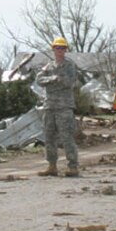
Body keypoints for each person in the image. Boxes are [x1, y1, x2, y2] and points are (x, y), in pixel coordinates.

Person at [35, 36, 83, 177]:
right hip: (49, 106)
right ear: (53, 49)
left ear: (65, 50)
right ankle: (52, 166)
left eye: (62, 48)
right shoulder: (48, 66)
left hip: (64, 106)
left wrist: (55, 81)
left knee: (66, 137)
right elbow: (39, 80)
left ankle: (73, 166)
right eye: (57, 48)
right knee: (49, 137)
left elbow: (69, 82)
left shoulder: (70, 65)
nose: (60, 50)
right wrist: (53, 79)